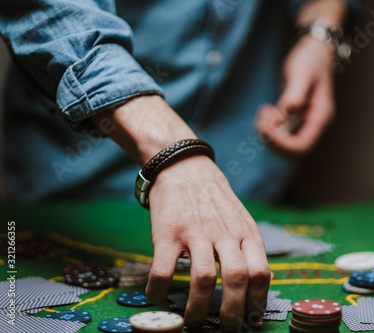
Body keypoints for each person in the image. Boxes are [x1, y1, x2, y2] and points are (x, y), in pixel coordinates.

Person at [0, 0, 354, 331]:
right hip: (74, 179)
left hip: (251, 176)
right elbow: (49, 11)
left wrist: (319, 33)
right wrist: (174, 152)